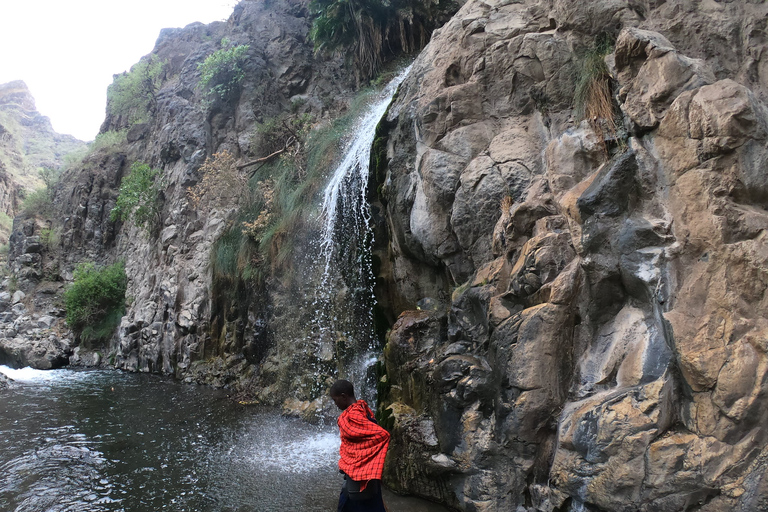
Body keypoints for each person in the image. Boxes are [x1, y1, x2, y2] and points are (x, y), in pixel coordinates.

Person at [330, 379, 390, 512]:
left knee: (351, 504)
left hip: (358, 474)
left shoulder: (351, 417)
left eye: (335, 400)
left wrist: (355, 461)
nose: (335, 404)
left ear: (344, 396)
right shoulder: (364, 410)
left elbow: (381, 435)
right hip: (368, 471)